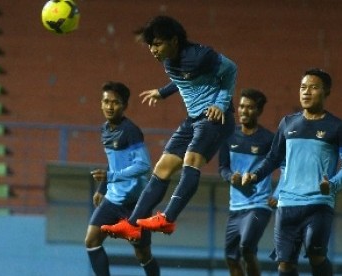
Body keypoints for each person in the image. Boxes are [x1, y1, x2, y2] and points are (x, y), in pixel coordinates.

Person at [101, 15, 237, 241]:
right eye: (150, 45)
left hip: (215, 118)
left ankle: (168, 218)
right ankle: (133, 224)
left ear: (174, 41)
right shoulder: (168, 60)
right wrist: (162, 92)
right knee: (162, 168)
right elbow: (185, 78)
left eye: (157, 44)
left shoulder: (200, 56)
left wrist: (220, 104)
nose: (153, 50)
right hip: (194, 119)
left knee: (191, 161)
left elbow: (231, 69)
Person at [241, 68, 342, 276]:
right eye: (303, 87)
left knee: (316, 256)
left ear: (326, 91)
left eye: (313, 88)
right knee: (284, 265)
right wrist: (256, 175)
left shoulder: (337, 127)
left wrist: (331, 184)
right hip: (287, 205)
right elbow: (273, 158)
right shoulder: (288, 123)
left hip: (319, 204)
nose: (306, 92)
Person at [84, 81, 160, 276]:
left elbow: (143, 166)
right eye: (106, 101)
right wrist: (103, 187)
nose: (109, 106)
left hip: (136, 203)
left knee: (142, 253)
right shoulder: (105, 130)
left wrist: (110, 177)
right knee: (92, 241)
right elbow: (114, 162)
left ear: (124, 105)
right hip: (113, 199)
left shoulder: (131, 131)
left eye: (115, 102)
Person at [218, 88, 280, 276]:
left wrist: (277, 194)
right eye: (242, 106)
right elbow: (223, 168)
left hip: (259, 205)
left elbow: (286, 168)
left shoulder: (269, 139)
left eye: (250, 108)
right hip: (236, 207)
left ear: (259, 111)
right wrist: (231, 177)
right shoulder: (228, 136)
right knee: (230, 257)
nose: (244, 111)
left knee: (246, 247)